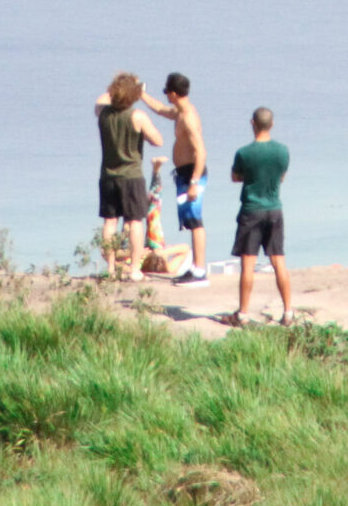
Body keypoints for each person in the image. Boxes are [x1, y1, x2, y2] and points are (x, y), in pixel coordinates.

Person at [220, 106, 292, 324]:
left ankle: (242, 313)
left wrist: (250, 176)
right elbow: (281, 177)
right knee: (279, 260)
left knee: (248, 263)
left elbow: (235, 177)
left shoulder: (244, 153)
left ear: (252, 124)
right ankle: (288, 311)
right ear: (272, 125)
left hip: (252, 210)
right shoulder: (283, 151)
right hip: (274, 209)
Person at [93, 72, 163, 279]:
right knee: (134, 222)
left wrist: (118, 85)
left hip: (107, 175)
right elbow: (157, 140)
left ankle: (111, 268)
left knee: (110, 222)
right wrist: (139, 91)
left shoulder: (103, 114)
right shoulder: (137, 116)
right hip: (131, 176)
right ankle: (134, 269)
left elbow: (101, 100)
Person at [143, 72, 210, 283]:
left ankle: (199, 270)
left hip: (192, 174)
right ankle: (195, 268)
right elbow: (161, 110)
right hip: (184, 173)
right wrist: (142, 95)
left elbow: (201, 152)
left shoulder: (188, 117)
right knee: (191, 221)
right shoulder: (181, 112)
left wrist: (194, 182)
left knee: (195, 220)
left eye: (167, 93)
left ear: (173, 93)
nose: (166, 98)